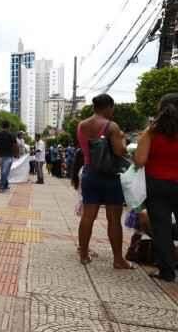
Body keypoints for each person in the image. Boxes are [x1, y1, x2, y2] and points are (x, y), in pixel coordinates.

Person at [76, 94, 131, 268]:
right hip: (110, 176)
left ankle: (84, 255)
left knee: (87, 216)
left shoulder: (82, 125)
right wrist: (122, 138)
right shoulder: (111, 126)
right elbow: (120, 151)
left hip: (89, 173)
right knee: (114, 218)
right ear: (109, 107)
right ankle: (118, 260)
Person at [134, 93, 178, 282]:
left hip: (156, 185)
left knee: (161, 228)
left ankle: (166, 271)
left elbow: (140, 160)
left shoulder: (151, 132)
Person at [0, 121, 18, 193]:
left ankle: (5, 185)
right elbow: (15, 145)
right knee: (4, 172)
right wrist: (16, 154)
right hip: (9, 156)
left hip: (0, 156)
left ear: (1, 126)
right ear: (9, 126)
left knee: (4, 171)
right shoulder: (11, 135)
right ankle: (1, 187)